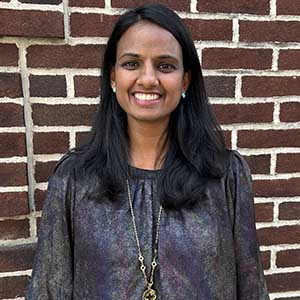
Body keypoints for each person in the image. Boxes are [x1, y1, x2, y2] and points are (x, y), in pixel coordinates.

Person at [26, 3, 270, 300]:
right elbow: (48, 290)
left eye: (165, 65)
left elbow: (251, 286)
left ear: (185, 79)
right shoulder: (75, 180)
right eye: (131, 63)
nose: (148, 78)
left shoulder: (225, 175)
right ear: (113, 77)